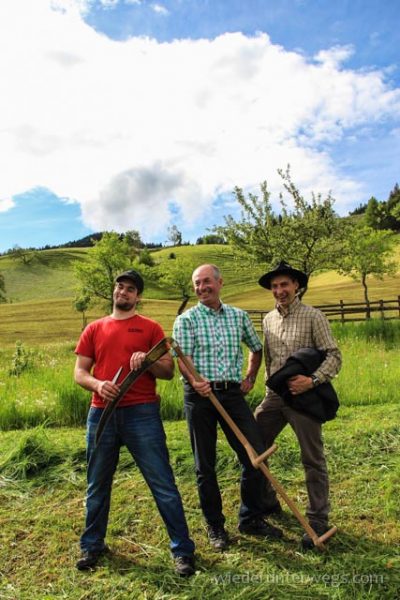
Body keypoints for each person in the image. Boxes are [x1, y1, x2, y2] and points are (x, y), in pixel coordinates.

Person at [74, 269, 195, 576]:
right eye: (119, 286)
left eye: (130, 289)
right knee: (97, 483)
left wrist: (149, 360)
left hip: (142, 413)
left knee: (163, 484)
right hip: (101, 413)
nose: (123, 292)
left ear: (138, 296)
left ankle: (182, 550)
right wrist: (99, 385)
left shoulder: (150, 328)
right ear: (114, 291)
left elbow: (168, 372)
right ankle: (92, 545)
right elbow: (80, 373)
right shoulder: (94, 328)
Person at [172, 264, 283, 551]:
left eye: (207, 281)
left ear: (220, 282)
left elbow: (256, 348)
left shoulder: (238, 316)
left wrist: (250, 377)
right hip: (200, 397)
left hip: (232, 394)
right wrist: (195, 382)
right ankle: (215, 526)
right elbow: (182, 359)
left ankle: (250, 518)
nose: (201, 287)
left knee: (254, 454)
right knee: (204, 465)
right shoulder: (186, 320)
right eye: (197, 283)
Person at [254, 261, 342, 549]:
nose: (279, 290)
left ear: (296, 286)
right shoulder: (268, 320)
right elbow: (267, 358)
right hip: (274, 397)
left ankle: (317, 518)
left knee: (312, 459)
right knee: (255, 446)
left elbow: (334, 356)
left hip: (304, 398)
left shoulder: (314, 316)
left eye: (285, 285)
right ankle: (267, 501)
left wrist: (313, 380)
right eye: (275, 286)